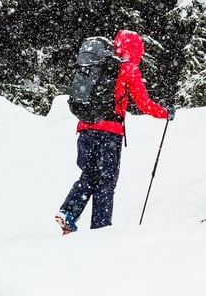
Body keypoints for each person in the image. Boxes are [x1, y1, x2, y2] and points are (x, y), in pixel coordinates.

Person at [55, 29, 172, 234]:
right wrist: (165, 113)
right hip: (109, 132)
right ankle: (101, 229)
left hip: (85, 129)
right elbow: (144, 103)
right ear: (135, 50)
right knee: (106, 180)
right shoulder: (127, 69)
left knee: (89, 175)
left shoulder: (98, 65)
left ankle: (69, 212)